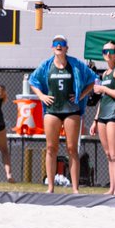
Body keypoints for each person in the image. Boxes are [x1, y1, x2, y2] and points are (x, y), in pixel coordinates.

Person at [28, 34, 99, 194]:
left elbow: (94, 79)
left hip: (71, 111)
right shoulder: (46, 65)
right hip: (52, 111)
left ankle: (75, 188)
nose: (58, 46)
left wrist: (81, 95)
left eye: (62, 43)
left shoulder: (75, 65)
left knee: (72, 148)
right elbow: (32, 81)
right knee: (51, 148)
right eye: (56, 43)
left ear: (66, 47)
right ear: (52, 47)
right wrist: (41, 96)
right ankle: (51, 187)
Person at [90, 41, 115, 196]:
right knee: (108, 154)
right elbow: (103, 99)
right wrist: (95, 120)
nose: (108, 54)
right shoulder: (104, 74)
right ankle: (112, 189)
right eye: (105, 51)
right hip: (104, 115)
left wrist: (103, 88)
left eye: (111, 51)